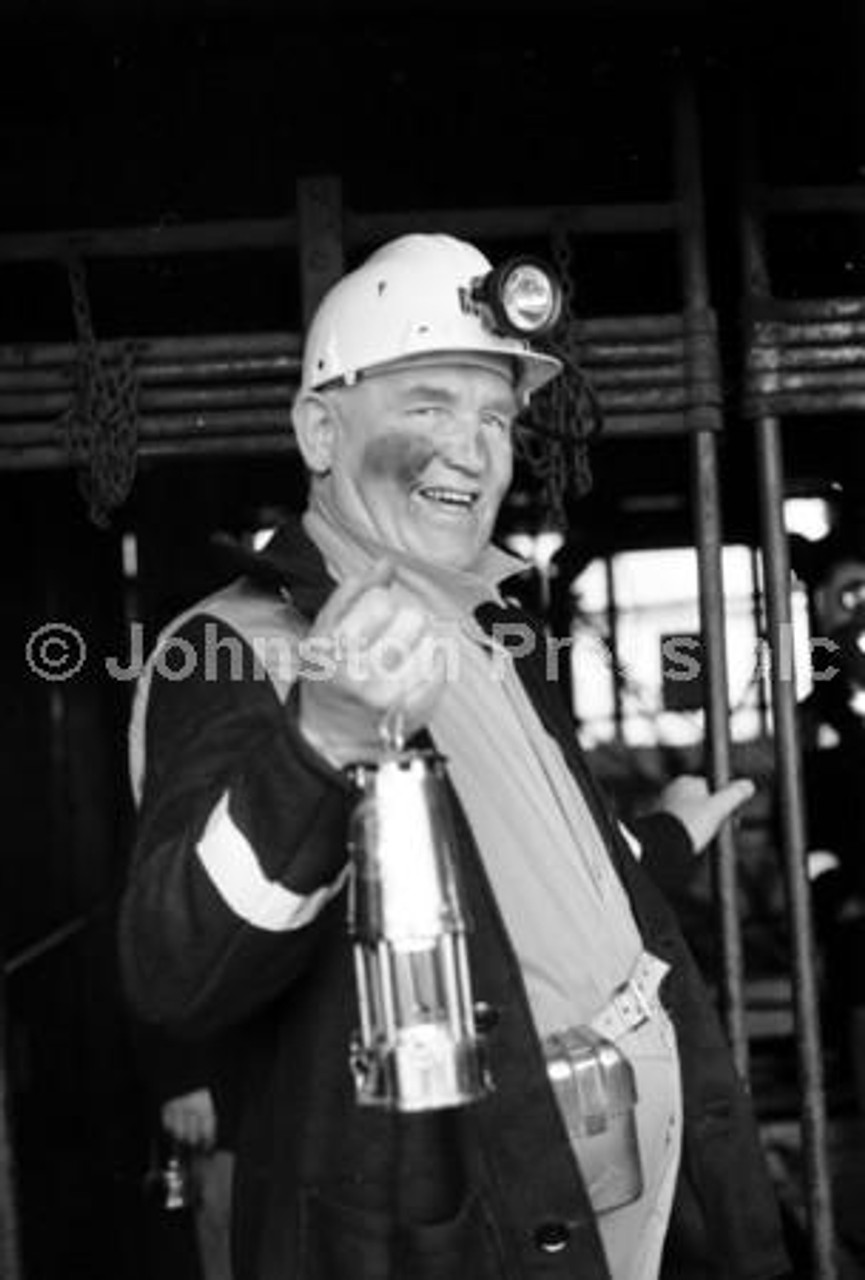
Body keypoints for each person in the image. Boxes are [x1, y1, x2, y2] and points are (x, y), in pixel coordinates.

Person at [119, 233, 787, 1279]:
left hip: (621, 1202)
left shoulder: (489, 628)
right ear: (319, 428)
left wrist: (665, 836)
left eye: (493, 417)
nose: (472, 451)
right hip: (454, 1229)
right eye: (428, 405)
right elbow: (177, 965)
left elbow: (525, 865)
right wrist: (320, 741)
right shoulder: (238, 644)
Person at [790, 511, 865, 1113]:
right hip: (853, 903)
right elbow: (810, 819)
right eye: (845, 600)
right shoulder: (816, 718)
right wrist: (834, 888)